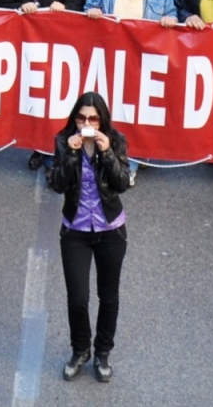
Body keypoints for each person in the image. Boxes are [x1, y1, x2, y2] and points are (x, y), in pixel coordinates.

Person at [48, 91, 133, 381]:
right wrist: (71, 154)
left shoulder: (116, 140)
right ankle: (80, 349)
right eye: (82, 118)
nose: (87, 123)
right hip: (76, 230)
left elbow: (122, 183)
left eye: (93, 118)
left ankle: (103, 352)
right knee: (77, 299)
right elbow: (57, 185)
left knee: (108, 297)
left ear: (102, 120)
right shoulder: (63, 141)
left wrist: (107, 152)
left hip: (110, 230)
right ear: (75, 119)